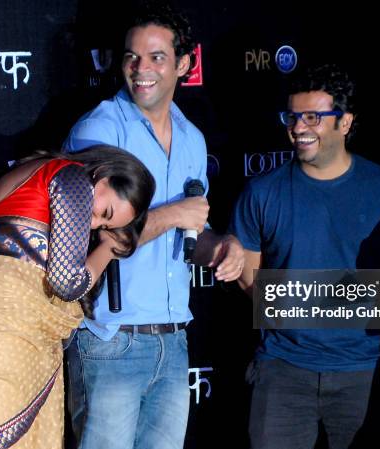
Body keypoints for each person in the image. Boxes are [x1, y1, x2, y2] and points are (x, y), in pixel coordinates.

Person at [63, 3, 244, 449]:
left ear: (184, 64)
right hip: (110, 343)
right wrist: (174, 215)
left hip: (173, 343)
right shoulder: (100, 129)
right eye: (131, 57)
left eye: (157, 57)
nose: (141, 69)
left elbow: (190, 236)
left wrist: (222, 247)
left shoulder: (192, 139)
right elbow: (89, 235)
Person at [230, 63, 380, 449]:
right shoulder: (261, 193)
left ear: (345, 121)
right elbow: (249, 280)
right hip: (282, 370)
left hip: (364, 372)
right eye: (292, 116)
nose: (299, 127)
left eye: (313, 117)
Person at [0, 145, 155, 449]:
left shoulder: (36, 175)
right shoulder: (70, 175)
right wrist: (108, 249)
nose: (94, 224)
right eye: (104, 213)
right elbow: (67, 282)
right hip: (0, 327)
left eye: (105, 227)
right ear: (103, 174)